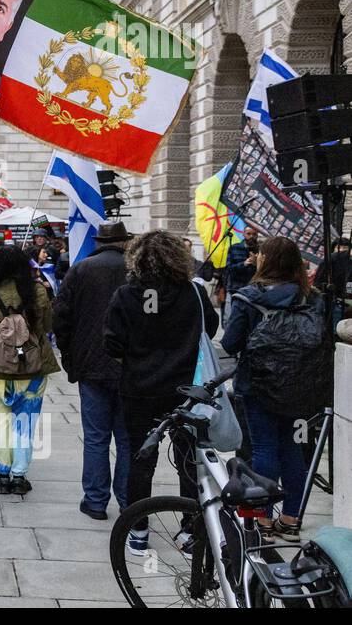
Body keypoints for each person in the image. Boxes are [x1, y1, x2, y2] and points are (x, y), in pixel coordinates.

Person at [104, 230, 218, 556]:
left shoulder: (126, 295)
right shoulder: (195, 293)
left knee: (140, 461)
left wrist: (138, 357)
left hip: (140, 390)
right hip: (186, 392)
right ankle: (190, 530)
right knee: (187, 460)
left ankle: (138, 530)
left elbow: (112, 343)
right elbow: (208, 330)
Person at [221, 236, 323, 542]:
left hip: (257, 385)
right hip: (301, 386)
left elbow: (230, 343)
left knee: (263, 448)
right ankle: (291, 519)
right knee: (293, 450)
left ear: (265, 260)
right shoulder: (312, 297)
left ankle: (263, 520)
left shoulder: (249, 297)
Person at [53, 221, 133, 520]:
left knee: (97, 437)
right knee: (126, 439)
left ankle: (96, 501)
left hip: (91, 364)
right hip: (129, 367)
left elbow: (60, 316)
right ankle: (128, 500)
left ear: (99, 242)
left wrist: (70, 354)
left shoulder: (81, 269)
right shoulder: (137, 271)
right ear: (125, 242)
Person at [0, 244, 59, 496]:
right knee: (25, 422)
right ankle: (19, 475)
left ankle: (2, 474)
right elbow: (47, 326)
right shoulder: (38, 292)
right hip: (32, 369)